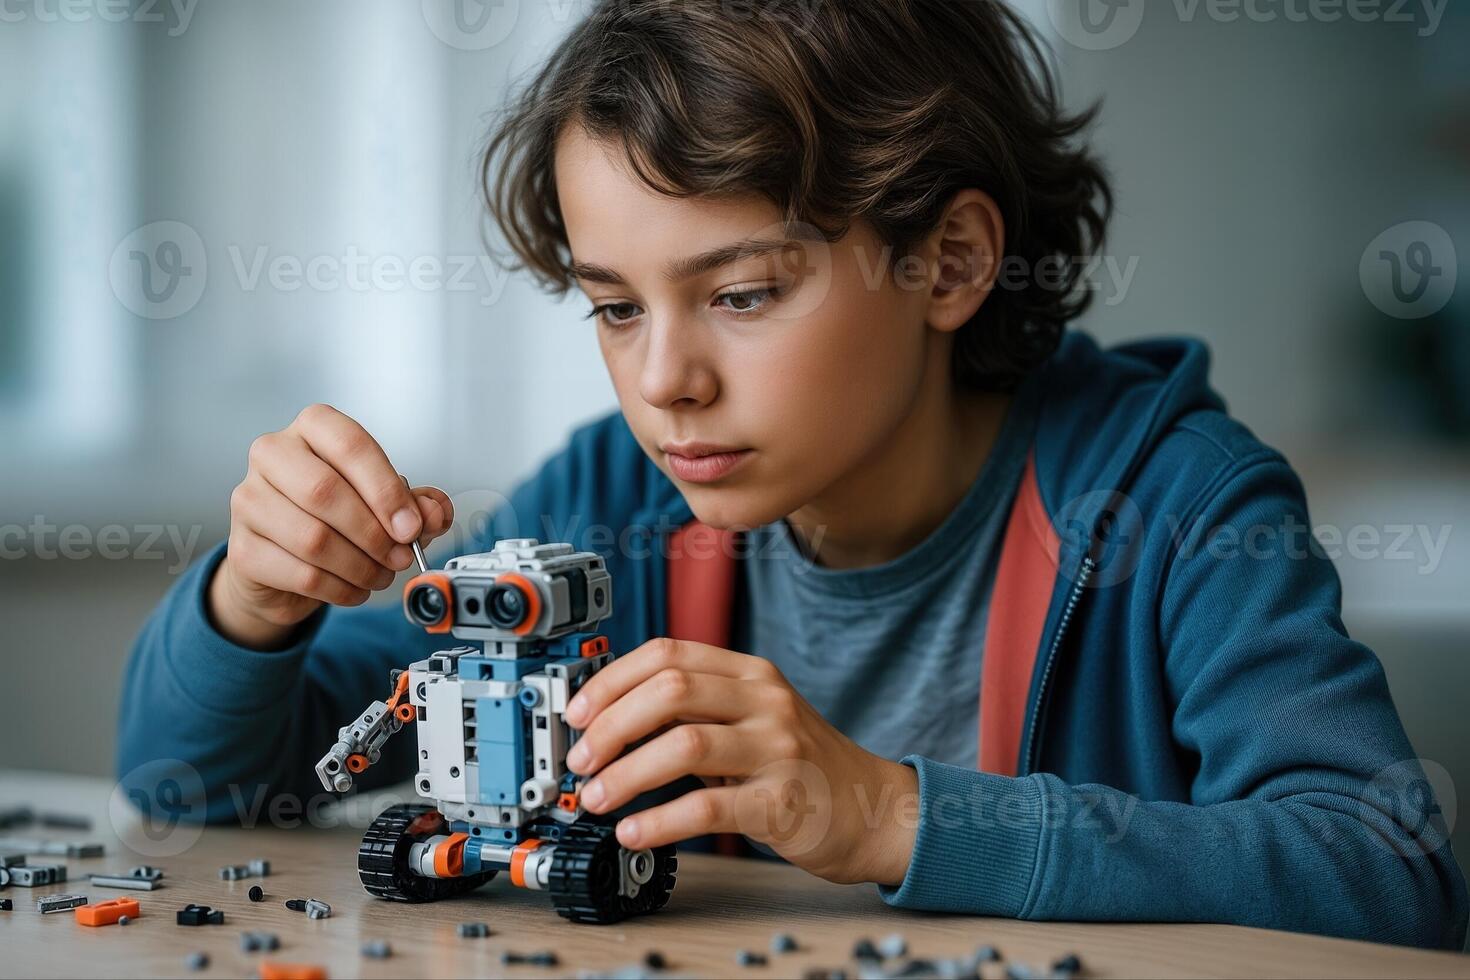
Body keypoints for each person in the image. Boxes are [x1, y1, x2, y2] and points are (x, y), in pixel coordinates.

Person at [119, 0, 1466, 948]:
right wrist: (254, 604)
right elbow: (192, 787)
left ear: (948, 261)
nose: (665, 382)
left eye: (744, 293)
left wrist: (887, 815)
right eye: (615, 307)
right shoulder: (612, 500)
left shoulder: (1178, 506)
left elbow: (1390, 872)